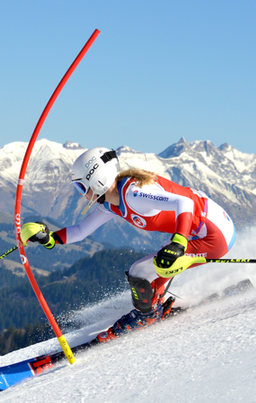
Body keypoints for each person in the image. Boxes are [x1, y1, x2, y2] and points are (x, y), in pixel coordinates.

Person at [20, 147, 236, 343]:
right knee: (160, 261)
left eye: (81, 186)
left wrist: (179, 242)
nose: (81, 194)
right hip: (201, 229)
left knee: (139, 271)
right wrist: (49, 238)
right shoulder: (111, 203)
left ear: (97, 181)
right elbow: (80, 230)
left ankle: (147, 315)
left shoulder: (133, 194)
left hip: (214, 234)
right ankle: (155, 304)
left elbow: (184, 202)